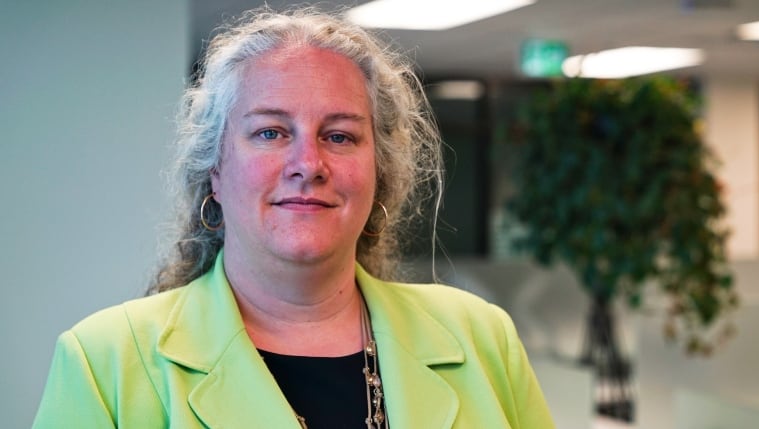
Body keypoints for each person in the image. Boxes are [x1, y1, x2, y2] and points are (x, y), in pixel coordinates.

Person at [33, 7, 554, 429]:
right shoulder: (105, 363)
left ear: (379, 172)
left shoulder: (482, 337)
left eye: (340, 136)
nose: (308, 164)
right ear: (214, 168)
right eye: (270, 132)